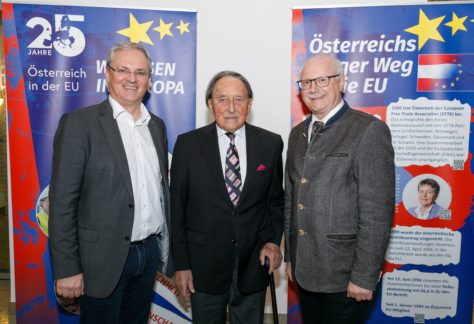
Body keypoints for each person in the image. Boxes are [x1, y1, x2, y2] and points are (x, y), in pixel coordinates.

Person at [49, 41, 172, 323]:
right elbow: (62, 203)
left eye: (140, 72)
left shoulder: (157, 126)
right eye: (123, 70)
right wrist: (67, 268)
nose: (132, 78)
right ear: (107, 74)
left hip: (148, 254)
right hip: (100, 260)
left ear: (149, 80)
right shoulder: (79, 124)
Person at [284, 55, 395, 324]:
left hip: (345, 277)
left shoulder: (368, 130)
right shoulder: (297, 134)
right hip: (305, 271)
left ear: (342, 82)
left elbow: (376, 213)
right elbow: (291, 199)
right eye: (306, 82)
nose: (313, 88)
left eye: (323, 80)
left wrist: (364, 276)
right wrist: (291, 257)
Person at [171, 70, 284, 323]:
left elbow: (275, 201)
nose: (231, 108)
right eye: (222, 99)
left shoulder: (271, 143)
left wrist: (273, 241)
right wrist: (181, 264)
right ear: (210, 104)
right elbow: (177, 209)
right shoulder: (187, 145)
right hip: (202, 267)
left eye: (239, 99)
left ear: (249, 104)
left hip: (253, 264)